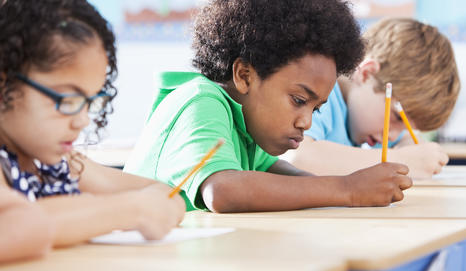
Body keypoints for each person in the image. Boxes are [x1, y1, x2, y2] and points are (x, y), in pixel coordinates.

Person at [124, 0, 412, 213]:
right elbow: (223, 191)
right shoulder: (200, 101)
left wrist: (343, 188)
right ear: (244, 75)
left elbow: (276, 172)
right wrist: (346, 190)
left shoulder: (248, 124)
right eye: (299, 101)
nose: (306, 122)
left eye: (316, 108)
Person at [0, 0, 185, 249]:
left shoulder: (63, 165)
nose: (83, 120)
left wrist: (158, 205)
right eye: (67, 99)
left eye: (89, 101)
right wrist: (130, 210)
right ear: (4, 84)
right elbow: (12, 227)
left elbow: (161, 192)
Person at [284, 18, 461, 179]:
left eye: (404, 127)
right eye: (398, 117)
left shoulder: (367, 121)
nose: (391, 135)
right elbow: (295, 157)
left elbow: (407, 140)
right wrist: (400, 160)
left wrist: (416, 151)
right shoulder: (320, 96)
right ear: (367, 74)